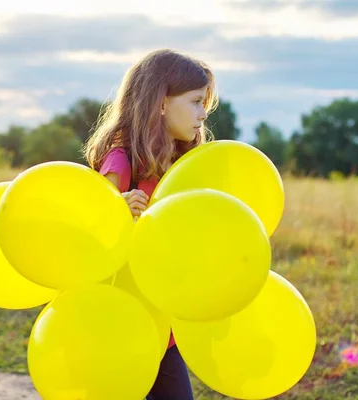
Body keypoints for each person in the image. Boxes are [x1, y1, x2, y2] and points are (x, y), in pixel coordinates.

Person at [83, 48, 219, 400]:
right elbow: (89, 235)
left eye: (204, 104)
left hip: (165, 320)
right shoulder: (121, 159)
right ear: (161, 103)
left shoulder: (181, 162)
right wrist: (117, 210)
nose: (203, 114)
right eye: (195, 102)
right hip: (123, 319)